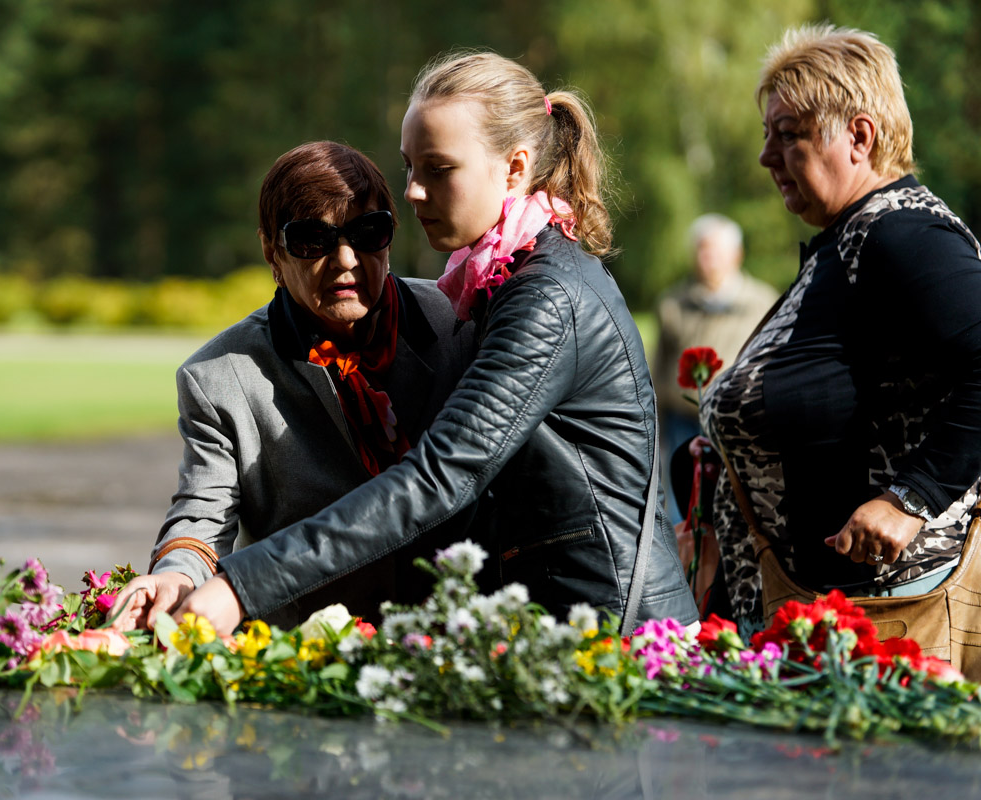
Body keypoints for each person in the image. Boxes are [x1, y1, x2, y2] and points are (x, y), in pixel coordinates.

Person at [178, 51, 698, 635]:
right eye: (409, 168)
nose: (414, 193)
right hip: (568, 625)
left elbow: (441, 474)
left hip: (617, 636)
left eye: (438, 169)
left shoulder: (545, 296)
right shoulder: (506, 281)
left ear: (515, 168)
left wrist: (240, 585)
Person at [108, 141, 478, 631]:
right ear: (271, 252)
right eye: (312, 240)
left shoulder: (462, 322)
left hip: (463, 642)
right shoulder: (218, 377)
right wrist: (177, 576)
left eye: (368, 232)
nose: (346, 259)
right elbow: (203, 512)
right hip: (306, 656)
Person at [700, 24, 981, 629]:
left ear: (859, 135)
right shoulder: (850, 237)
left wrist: (912, 498)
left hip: (893, 611)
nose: (766, 156)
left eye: (789, 135)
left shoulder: (905, 234)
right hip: (824, 608)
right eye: (767, 135)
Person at [653, 214, 778, 522]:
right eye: (701, 249)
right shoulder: (673, 303)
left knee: (735, 506)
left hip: (740, 424)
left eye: (715, 250)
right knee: (683, 507)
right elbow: (658, 368)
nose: (706, 258)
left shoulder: (762, 303)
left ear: (737, 254)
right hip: (683, 421)